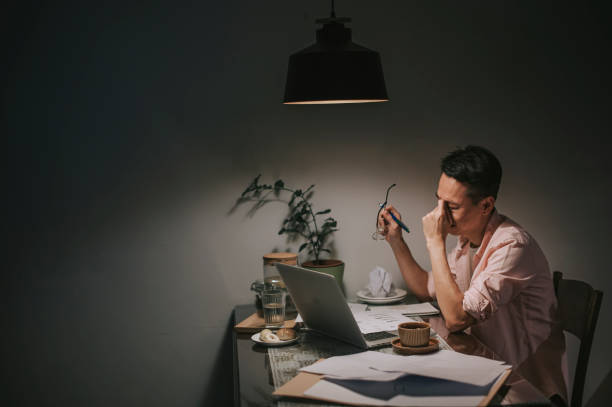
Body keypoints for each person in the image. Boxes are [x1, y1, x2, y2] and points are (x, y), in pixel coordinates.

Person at [379, 145, 567, 402]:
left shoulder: (513, 245)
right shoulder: (467, 241)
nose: (440, 215)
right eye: (439, 201)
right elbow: (426, 287)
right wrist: (396, 240)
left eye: (452, 207)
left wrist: (435, 241)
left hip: (524, 391)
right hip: (484, 373)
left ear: (486, 205)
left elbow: (456, 319)